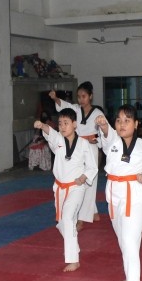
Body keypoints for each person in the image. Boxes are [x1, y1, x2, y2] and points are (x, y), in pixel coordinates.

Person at [95, 108, 142, 281]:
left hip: (134, 195)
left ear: (136, 124)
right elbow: (105, 139)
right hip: (113, 194)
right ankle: (129, 274)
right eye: (119, 120)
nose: (122, 124)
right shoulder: (113, 142)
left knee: (130, 240)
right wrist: (104, 126)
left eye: (127, 120)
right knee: (123, 238)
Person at [34, 108, 98, 272]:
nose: (62, 126)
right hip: (60, 188)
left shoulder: (83, 144)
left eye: (66, 123)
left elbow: (92, 167)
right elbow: (50, 131)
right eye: (60, 123)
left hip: (76, 187)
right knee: (63, 223)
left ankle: (73, 260)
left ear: (74, 124)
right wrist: (42, 125)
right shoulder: (58, 140)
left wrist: (83, 178)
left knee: (69, 218)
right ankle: (74, 246)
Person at [50, 82, 103, 230]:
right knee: (79, 183)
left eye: (84, 96)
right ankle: (92, 212)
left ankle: (81, 218)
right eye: (79, 96)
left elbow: (105, 132)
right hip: (76, 148)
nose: (81, 99)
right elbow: (63, 106)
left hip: (91, 148)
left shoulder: (98, 113)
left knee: (89, 183)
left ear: (90, 96)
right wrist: (55, 99)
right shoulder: (75, 110)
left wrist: (97, 140)